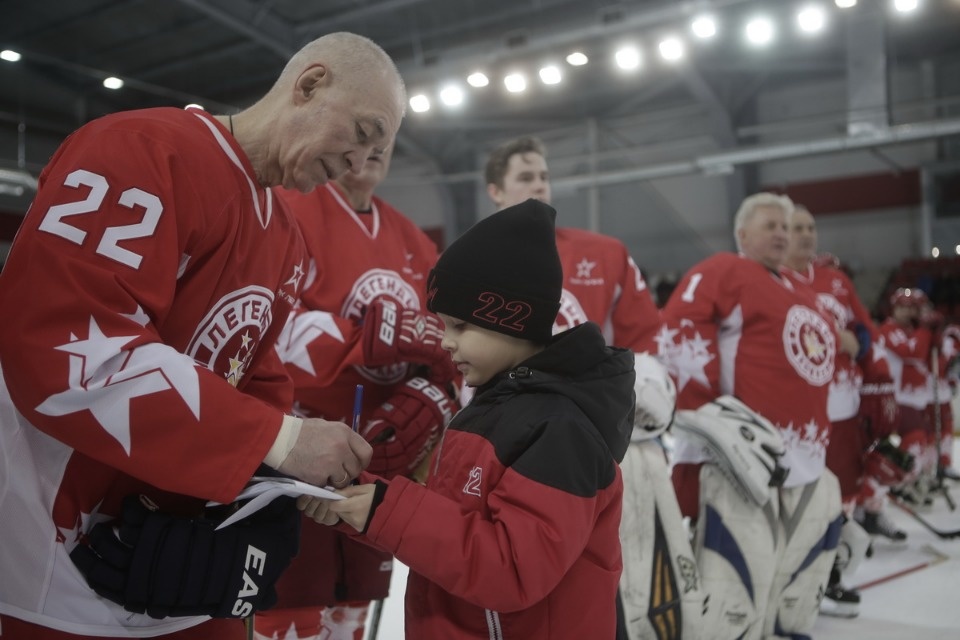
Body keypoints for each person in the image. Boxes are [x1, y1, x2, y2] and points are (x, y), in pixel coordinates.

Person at [0, 32, 404, 639]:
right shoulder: (138, 151)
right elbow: (69, 351)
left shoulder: (285, 236)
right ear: (310, 84)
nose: (359, 164)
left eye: (378, 152)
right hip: (58, 564)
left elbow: (255, 378)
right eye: (363, 134)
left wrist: (262, 494)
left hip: (177, 567)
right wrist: (279, 437)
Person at [299, 199, 635, 639]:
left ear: (515, 318)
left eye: (459, 326)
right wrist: (367, 501)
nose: (445, 343)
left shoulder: (560, 430)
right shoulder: (492, 407)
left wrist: (384, 512)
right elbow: (457, 527)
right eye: (442, 325)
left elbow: (513, 570)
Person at [257, 145, 457, 640]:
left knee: (354, 607)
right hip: (295, 453)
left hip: (378, 458)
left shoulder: (412, 237)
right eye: (364, 138)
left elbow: (445, 341)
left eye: (386, 144)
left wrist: (430, 400)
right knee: (288, 608)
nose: (372, 153)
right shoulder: (291, 208)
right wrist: (367, 338)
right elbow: (269, 318)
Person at [484, 136, 677, 640]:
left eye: (543, 176)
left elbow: (645, 335)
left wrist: (645, 387)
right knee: (520, 577)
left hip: (593, 445)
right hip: (510, 444)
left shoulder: (603, 252)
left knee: (601, 578)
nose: (539, 185)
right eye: (525, 177)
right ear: (494, 192)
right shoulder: (472, 260)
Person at [658, 192, 842, 639]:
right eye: (771, 226)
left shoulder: (802, 289)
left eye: (787, 226)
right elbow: (679, 333)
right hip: (742, 462)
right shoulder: (724, 270)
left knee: (794, 590)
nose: (782, 234)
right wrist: (706, 415)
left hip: (808, 459)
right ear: (742, 234)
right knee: (733, 593)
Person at [783, 206, 875, 617]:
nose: (804, 235)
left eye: (809, 227)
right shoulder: (773, 280)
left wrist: (855, 341)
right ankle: (793, 578)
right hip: (794, 412)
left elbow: (866, 331)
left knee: (842, 498)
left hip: (841, 407)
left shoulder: (835, 281)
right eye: (794, 228)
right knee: (800, 500)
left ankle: (830, 575)